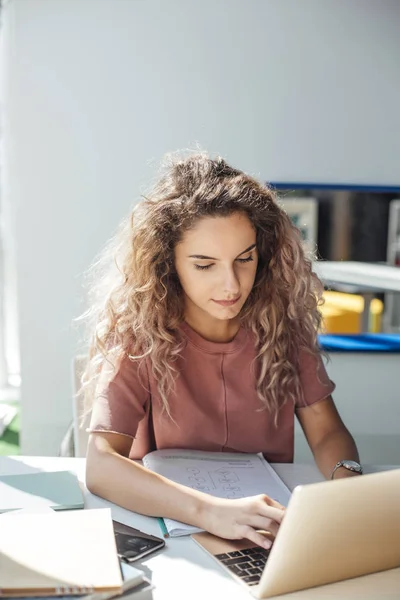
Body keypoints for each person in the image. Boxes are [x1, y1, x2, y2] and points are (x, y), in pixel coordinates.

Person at [83, 152, 361, 550]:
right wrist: (213, 512)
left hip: (270, 532)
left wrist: (347, 487)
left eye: (243, 259)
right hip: (173, 533)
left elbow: (327, 432)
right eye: (204, 265)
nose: (231, 285)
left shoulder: (281, 327)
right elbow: (102, 464)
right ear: (169, 264)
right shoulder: (138, 337)